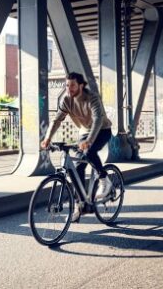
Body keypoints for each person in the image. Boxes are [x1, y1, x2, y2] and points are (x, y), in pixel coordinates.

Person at [41, 72, 113, 221]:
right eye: (67, 85)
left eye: (72, 85)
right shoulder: (66, 100)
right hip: (84, 132)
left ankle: (104, 179)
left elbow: (98, 120)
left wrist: (89, 141)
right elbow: (57, 120)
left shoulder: (92, 97)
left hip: (102, 130)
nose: (69, 88)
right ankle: (81, 204)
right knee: (77, 167)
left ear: (81, 85)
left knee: (89, 151)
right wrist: (47, 138)